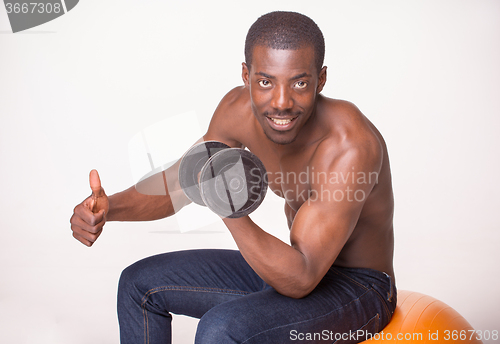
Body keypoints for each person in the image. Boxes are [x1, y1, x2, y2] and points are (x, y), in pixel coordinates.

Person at [70, 11, 396, 344]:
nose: (281, 103)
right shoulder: (237, 111)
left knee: (221, 327)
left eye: (299, 83)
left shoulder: (349, 146)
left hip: (359, 289)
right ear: (246, 75)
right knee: (139, 284)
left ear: (320, 80)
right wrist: (109, 208)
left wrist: (224, 206)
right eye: (266, 82)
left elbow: (302, 277)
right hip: (289, 271)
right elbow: (183, 181)